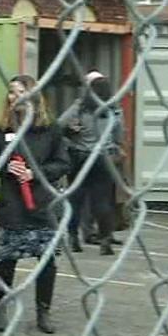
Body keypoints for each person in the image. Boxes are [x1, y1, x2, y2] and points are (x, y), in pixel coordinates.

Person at [0, 74, 69, 334]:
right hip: (13, 203)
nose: (13, 96)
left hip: (43, 204)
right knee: (7, 260)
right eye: (11, 92)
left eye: (19, 91)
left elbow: (63, 163)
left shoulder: (51, 128)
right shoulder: (0, 130)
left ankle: (43, 311)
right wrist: (5, 166)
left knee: (47, 262)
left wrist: (36, 173)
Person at [59, 72, 125, 255]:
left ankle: (73, 238)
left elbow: (59, 125)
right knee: (102, 201)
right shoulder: (114, 110)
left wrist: (73, 131)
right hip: (103, 158)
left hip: (79, 156)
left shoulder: (80, 107)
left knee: (75, 199)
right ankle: (105, 240)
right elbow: (119, 136)